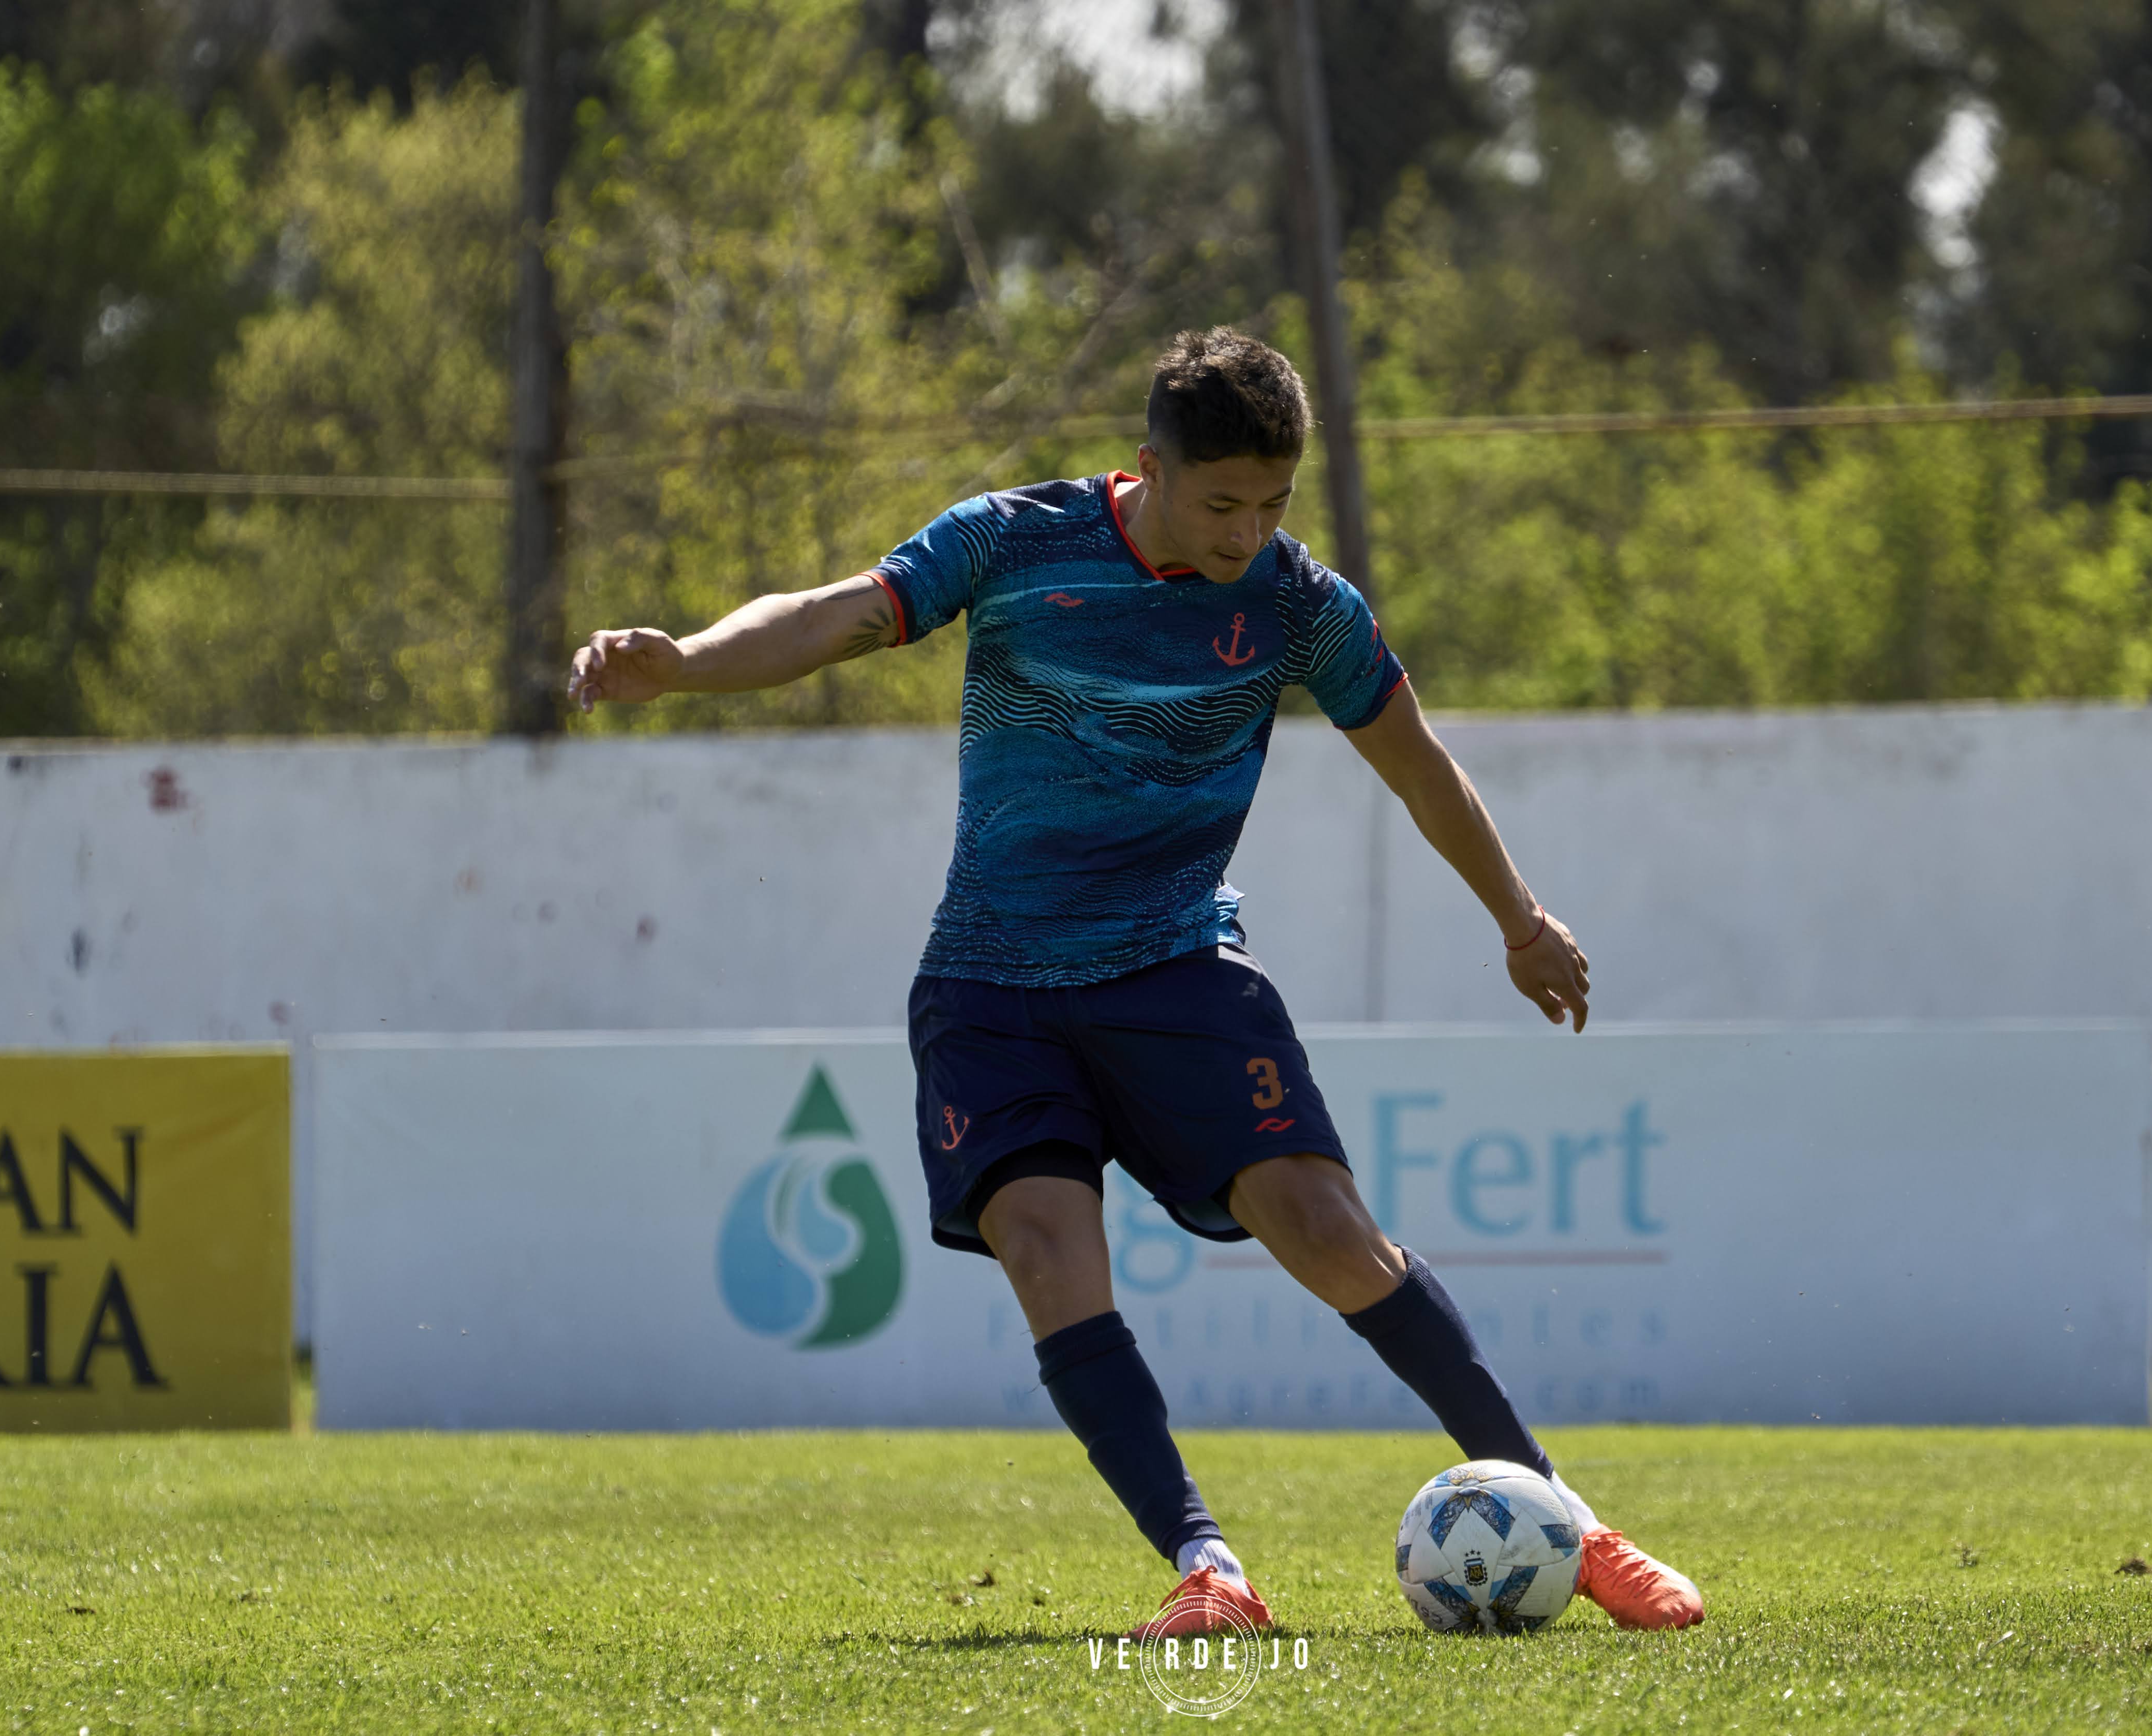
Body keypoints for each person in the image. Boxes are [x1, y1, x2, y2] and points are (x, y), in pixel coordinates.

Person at [567, 327, 1703, 1639]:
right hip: (991, 985)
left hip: (1175, 965)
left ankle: (1572, 1523)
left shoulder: (1295, 605)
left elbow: (1416, 760)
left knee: (1327, 1230)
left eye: (1273, 503)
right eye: (1221, 502)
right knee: (1049, 1253)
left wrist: (1519, 918)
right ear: (1146, 467)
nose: (1246, 531)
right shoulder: (1008, 543)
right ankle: (1206, 1567)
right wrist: (689, 662)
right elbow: (832, 615)